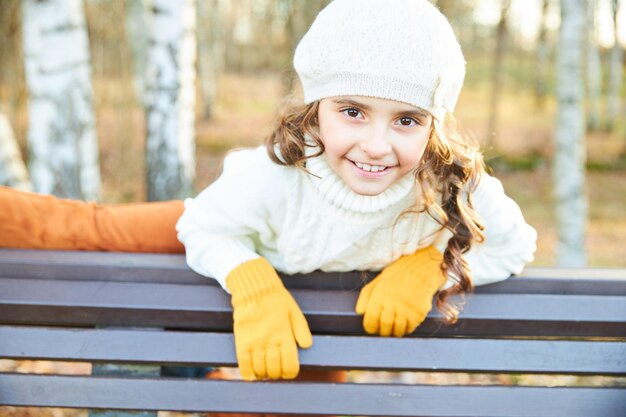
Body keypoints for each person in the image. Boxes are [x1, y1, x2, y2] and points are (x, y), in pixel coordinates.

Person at [0, 0, 536, 385]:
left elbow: (515, 245)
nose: (376, 145)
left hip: (312, 304)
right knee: (88, 229)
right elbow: (201, 228)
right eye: (353, 112)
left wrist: (429, 266)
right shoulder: (275, 173)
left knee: (295, 394)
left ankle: (191, 379)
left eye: (407, 120)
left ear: (435, 125)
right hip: (234, 231)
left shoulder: (448, 185)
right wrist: (251, 280)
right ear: (316, 110)